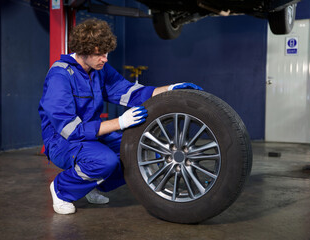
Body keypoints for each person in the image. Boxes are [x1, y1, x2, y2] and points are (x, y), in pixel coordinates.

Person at [38, 18, 202, 214]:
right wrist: (120, 123)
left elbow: (128, 91)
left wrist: (169, 89)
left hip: (93, 132)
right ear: (83, 50)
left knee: (139, 152)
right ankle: (61, 189)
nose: (105, 59)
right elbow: (70, 129)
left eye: (106, 53)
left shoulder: (99, 70)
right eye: (100, 54)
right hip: (62, 141)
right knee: (105, 161)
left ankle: (92, 186)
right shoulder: (60, 76)